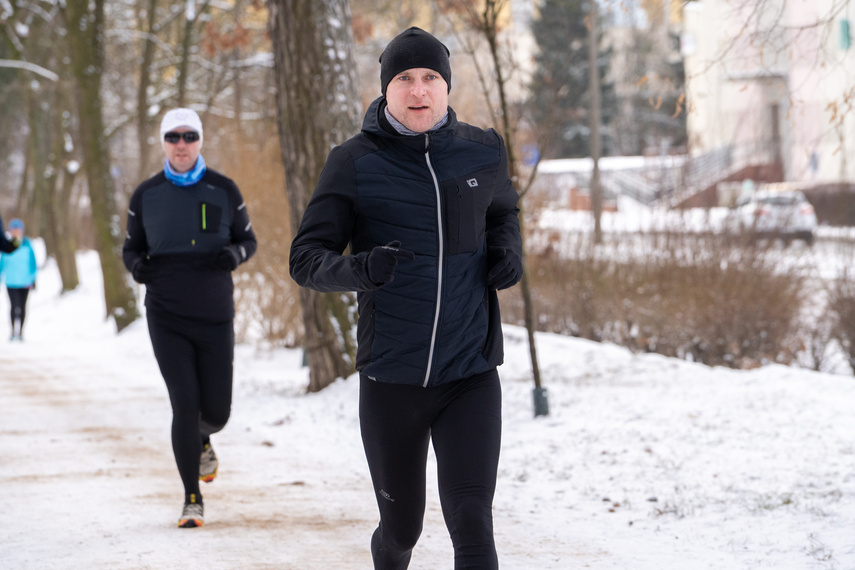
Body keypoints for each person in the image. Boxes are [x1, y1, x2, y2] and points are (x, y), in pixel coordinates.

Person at [289, 27, 523, 570]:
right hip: (392, 377)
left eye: (430, 78)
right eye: (404, 79)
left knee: (472, 520)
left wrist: (507, 250)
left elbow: (503, 210)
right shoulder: (354, 162)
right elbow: (306, 258)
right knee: (402, 529)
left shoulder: (481, 151)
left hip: (469, 371)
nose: (418, 90)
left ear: (446, 85)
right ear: (386, 89)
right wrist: (361, 269)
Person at [122, 108, 257, 528]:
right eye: (174, 137)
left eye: (189, 136)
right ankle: (191, 498)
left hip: (215, 315)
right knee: (184, 402)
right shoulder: (146, 194)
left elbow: (248, 240)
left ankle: (205, 437)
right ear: (163, 142)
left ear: (199, 140)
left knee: (216, 411)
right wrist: (136, 267)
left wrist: (235, 253)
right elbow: (131, 248)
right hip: (166, 315)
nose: (181, 145)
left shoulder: (224, 189)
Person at [0, 218, 36, 341]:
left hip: (25, 281)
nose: (16, 232)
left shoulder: (27, 244)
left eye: (18, 229)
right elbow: (2, 264)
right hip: (11, 281)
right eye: (13, 229)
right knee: (14, 306)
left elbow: (33, 263)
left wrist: (33, 278)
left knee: (22, 306)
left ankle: (20, 332)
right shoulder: (6, 244)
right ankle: (12, 331)